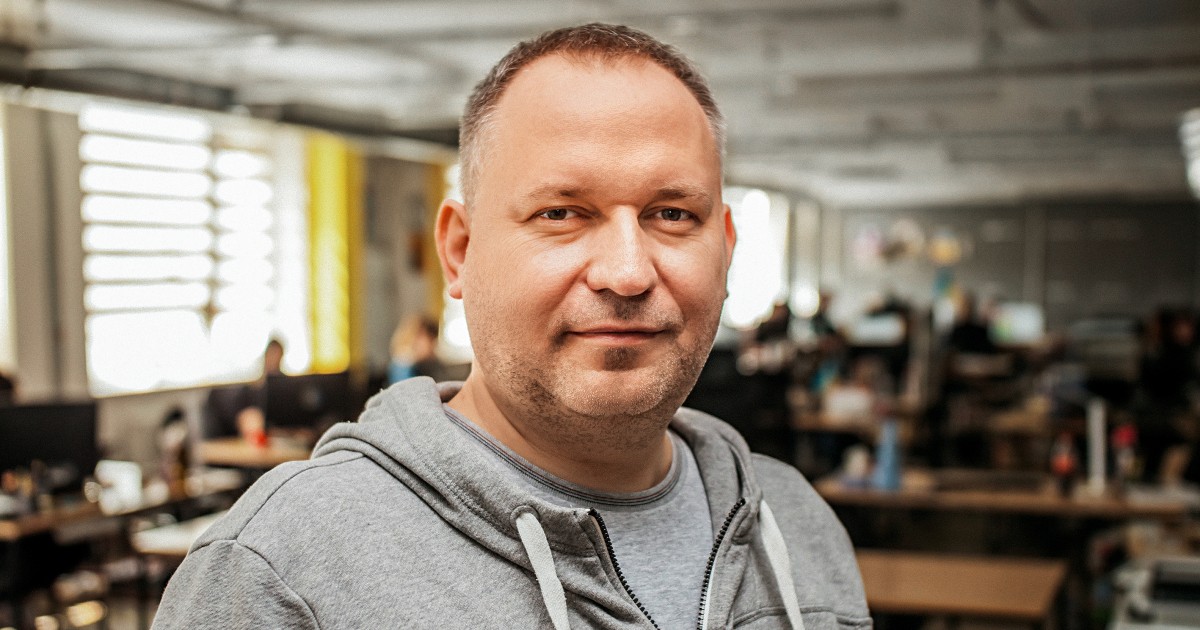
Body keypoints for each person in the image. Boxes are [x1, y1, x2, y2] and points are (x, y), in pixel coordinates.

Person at [154, 24, 867, 629]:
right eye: (561, 213)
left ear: (726, 251)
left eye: (673, 214)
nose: (627, 273)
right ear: (459, 252)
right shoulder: (283, 571)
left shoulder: (795, 525)